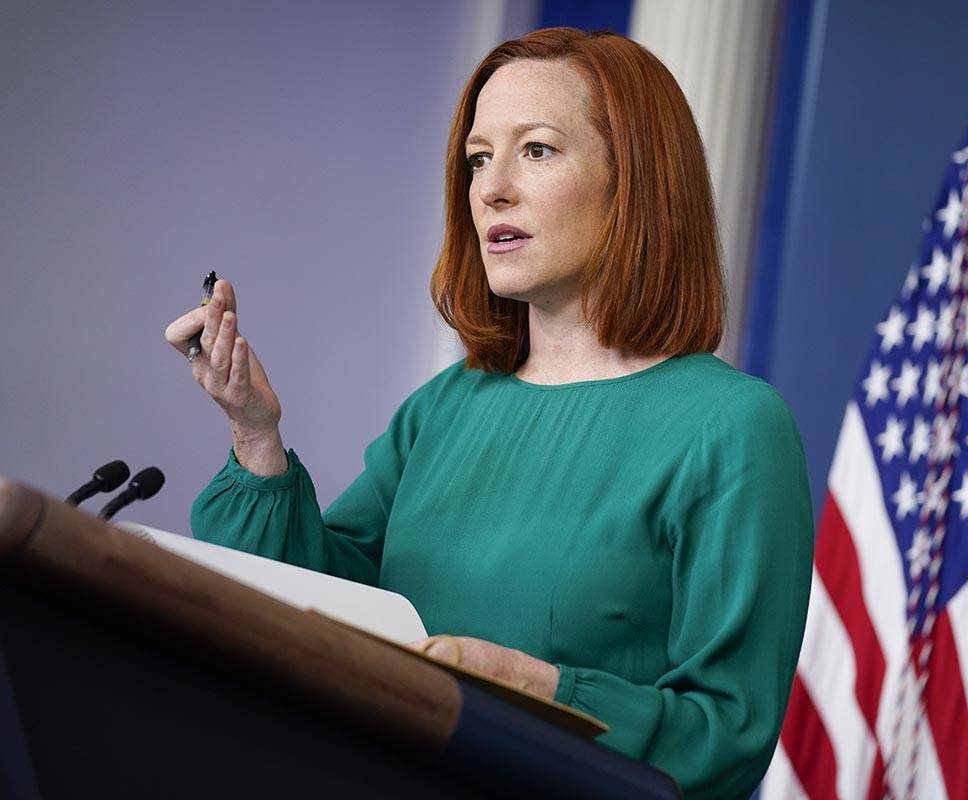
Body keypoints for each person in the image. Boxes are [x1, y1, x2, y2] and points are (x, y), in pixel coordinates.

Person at [164, 27, 814, 799]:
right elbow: (322, 613)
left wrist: (537, 689)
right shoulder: (445, 408)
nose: (491, 188)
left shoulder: (733, 429)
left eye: (536, 150)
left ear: (635, 179)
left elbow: (725, 739)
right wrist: (254, 432)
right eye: (479, 157)